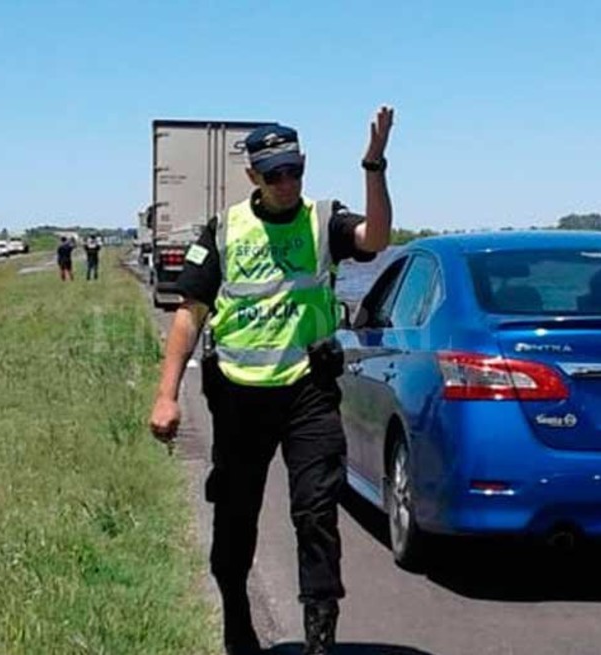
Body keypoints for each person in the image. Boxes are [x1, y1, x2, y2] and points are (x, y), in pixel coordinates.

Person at [149, 107, 395, 655]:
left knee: (316, 513)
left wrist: (374, 165)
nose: (287, 183)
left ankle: (319, 641)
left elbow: (377, 237)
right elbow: (189, 314)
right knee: (236, 514)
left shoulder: (323, 220)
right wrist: (166, 395)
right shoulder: (224, 230)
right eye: (274, 174)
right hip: (239, 398)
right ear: (252, 176)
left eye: (294, 171)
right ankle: (238, 623)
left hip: (309, 392)